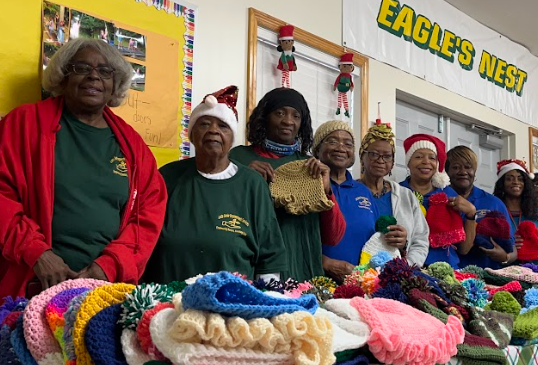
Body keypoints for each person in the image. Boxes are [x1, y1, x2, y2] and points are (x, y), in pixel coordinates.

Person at [0, 38, 167, 299]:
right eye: (81, 68)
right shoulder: (24, 124)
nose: (93, 76)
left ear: (115, 85)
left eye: (105, 71)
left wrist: (109, 266)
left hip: (104, 292)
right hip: (32, 283)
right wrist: (37, 253)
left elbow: (147, 217)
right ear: (63, 77)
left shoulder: (133, 146)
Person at [145, 87, 286, 283]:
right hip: (168, 305)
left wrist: (264, 303)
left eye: (223, 126)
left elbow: (270, 258)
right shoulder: (167, 176)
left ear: (232, 139)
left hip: (233, 308)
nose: (213, 130)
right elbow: (143, 239)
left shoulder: (253, 185)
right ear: (192, 135)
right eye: (204, 124)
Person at [229, 88, 345, 281]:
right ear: (264, 117)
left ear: (302, 123)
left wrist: (325, 190)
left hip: (302, 272)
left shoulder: (311, 167)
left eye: (296, 115)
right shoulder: (239, 158)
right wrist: (243, 180)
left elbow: (334, 237)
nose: (288, 121)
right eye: (279, 113)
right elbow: (220, 212)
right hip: (251, 268)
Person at [356, 121, 429, 267]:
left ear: (393, 162)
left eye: (387, 156)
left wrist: (406, 261)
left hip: (395, 277)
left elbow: (421, 240)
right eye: (374, 154)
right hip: (355, 273)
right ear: (362, 157)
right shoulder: (351, 191)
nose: (380, 160)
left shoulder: (406, 196)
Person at [314, 121, 377, 282]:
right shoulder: (307, 185)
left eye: (348, 144)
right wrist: (325, 262)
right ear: (317, 149)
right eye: (332, 141)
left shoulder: (363, 191)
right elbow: (292, 237)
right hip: (314, 281)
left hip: (359, 284)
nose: (341, 148)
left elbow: (375, 238)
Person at [400, 134, 476, 268]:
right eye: (418, 156)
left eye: (432, 158)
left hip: (446, 271)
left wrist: (471, 214)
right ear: (408, 162)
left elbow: (464, 249)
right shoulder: (397, 192)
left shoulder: (449, 196)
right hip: (407, 270)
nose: (426, 161)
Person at [446, 146, 516, 269]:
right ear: (447, 171)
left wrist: (505, 257)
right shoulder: (440, 200)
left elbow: (513, 248)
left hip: (488, 276)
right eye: (456, 167)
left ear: (474, 171)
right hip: (451, 276)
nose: (463, 172)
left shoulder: (493, 203)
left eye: (468, 167)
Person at [493, 159, 538, 267]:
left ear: (526, 184)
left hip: (536, 273)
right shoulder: (495, 212)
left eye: (520, 179)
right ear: (502, 184)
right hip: (503, 272)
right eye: (509, 179)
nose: (515, 182)